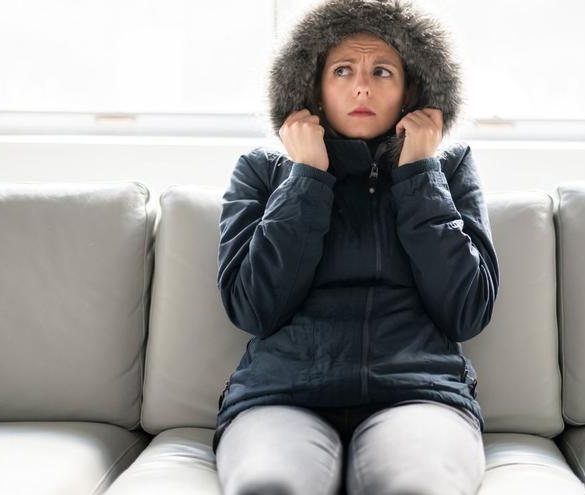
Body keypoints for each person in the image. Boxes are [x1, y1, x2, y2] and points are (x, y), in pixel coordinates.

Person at [214, 1, 500, 493]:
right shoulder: (264, 170)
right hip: (282, 395)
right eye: (342, 70)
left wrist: (418, 174)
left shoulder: (447, 169)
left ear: (412, 89)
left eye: (382, 71)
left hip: (418, 395)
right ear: (312, 87)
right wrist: (306, 177)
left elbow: (467, 312)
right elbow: (253, 308)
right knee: (269, 488)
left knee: (419, 488)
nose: (362, 86)